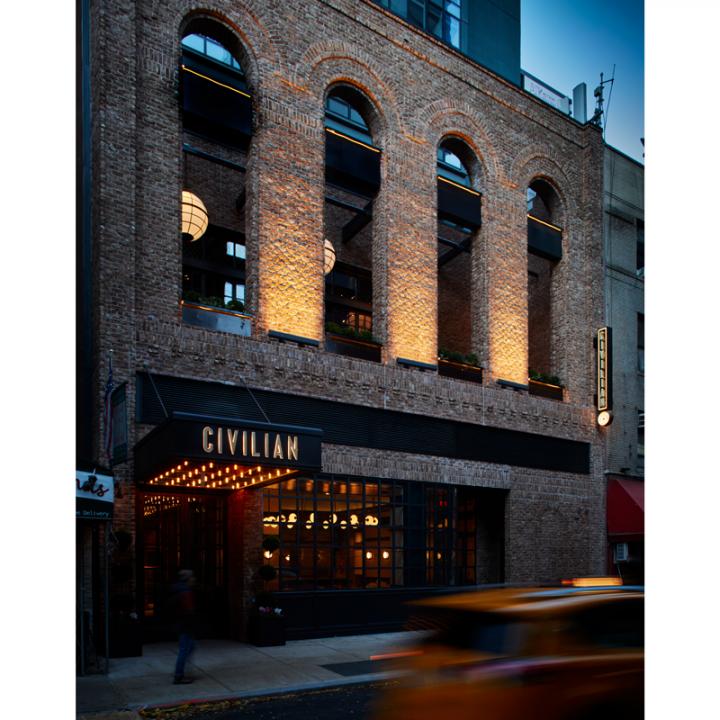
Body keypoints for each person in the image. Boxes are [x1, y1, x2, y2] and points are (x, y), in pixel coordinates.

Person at [171, 569, 197, 684]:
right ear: (187, 579)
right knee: (185, 649)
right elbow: (189, 610)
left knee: (190, 647)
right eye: (192, 577)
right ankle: (179, 675)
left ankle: (180, 672)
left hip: (180, 623)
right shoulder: (185, 592)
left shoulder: (177, 589)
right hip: (185, 625)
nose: (194, 579)